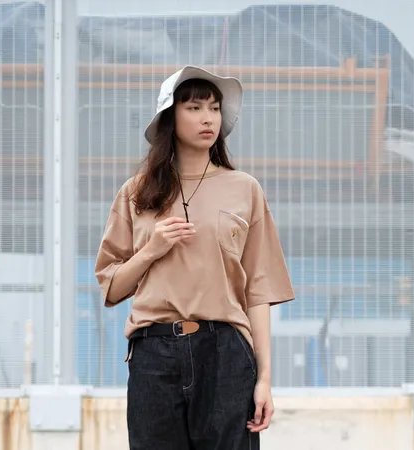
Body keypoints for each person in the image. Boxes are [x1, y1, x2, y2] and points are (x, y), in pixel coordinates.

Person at [95, 65, 295, 450]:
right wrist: (152, 250)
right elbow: (112, 287)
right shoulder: (135, 193)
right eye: (194, 107)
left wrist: (265, 379)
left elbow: (258, 291)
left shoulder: (245, 189)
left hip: (225, 353)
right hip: (154, 354)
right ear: (170, 117)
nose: (208, 118)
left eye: (215, 108)